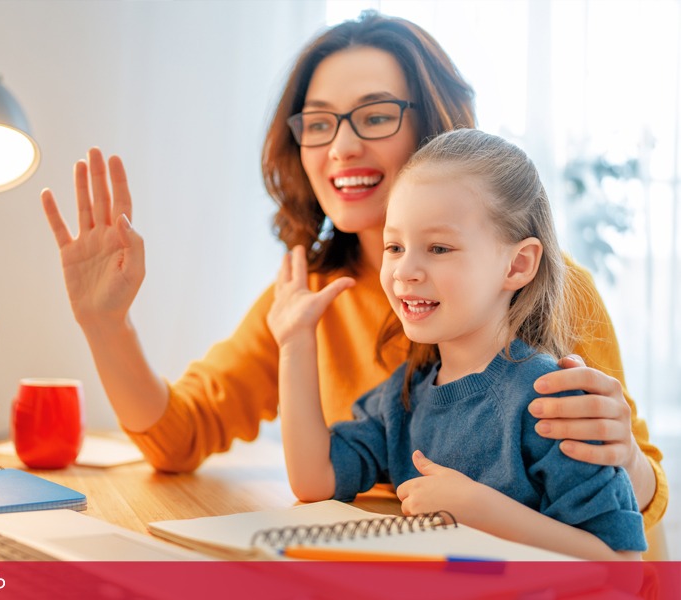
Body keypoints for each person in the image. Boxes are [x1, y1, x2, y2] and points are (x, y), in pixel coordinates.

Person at [40, 11, 666, 530]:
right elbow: (179, 436)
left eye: (374, 116)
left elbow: (639, 504)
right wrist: (105, 323)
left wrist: (624, 456)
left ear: (435, 130)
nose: (341, 146)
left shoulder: (542, 288)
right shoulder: (305, 297)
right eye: (318, 123)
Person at [268, 128, 645, 560]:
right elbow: (315, 479)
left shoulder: (556, 402)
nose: (404, 270)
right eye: (395, 246)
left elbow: (620, 564)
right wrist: (295, 342)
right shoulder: (404, 398)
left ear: (518, 265)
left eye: (439, 247)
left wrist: (483, 511)